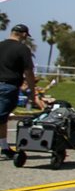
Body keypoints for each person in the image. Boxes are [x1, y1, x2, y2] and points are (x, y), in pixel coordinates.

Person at [0, 24, 42, 159]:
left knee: (3, 118)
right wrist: (31, 90)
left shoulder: (1, 45)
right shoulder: (22, 49)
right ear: (23, 34)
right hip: (8, 86)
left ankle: (5, 147)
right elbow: (28, 72)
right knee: (1, 116)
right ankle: (4, 148)